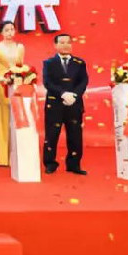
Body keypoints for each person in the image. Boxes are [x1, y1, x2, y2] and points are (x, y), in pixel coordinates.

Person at [42, 34, 89, 175]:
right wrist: (63, 94)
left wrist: (74, 95)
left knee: (75, 135)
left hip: (74, 103)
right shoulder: (49, 63)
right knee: (51, 135)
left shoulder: (79, 63)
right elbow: (48, 82)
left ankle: (74, 164)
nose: (65, 45)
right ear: (55, 45)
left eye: (68, 42)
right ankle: (50, 163)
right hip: (55, 103)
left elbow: (83, 81)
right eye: (62, 43)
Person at [0, 21, 25, 167]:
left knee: (17, 117)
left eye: (12, 29)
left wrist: (21, 77)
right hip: (2, 84)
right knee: (4, 117)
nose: (10, 32)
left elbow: (21, 67)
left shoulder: (20, 47)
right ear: (1, 32)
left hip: (17, 85)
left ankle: (17, 154)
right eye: (6, 30)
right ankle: (3, 156)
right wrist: (1, 77)